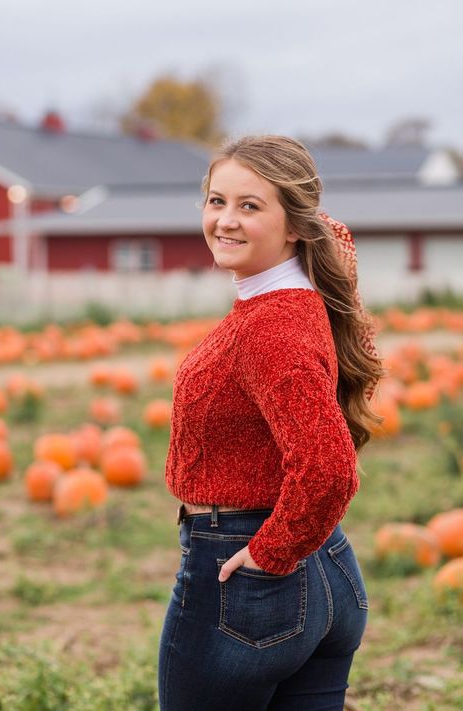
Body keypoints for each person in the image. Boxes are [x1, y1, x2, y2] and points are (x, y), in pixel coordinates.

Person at [158, 134, 384, 711]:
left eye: (249, 206)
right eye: (216, 201)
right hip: (326, 568)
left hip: (253, 579)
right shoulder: (293, 301)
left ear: (294, 228)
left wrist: (270, 554)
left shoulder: (272, 326)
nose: (225, 221)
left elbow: (329, 468)